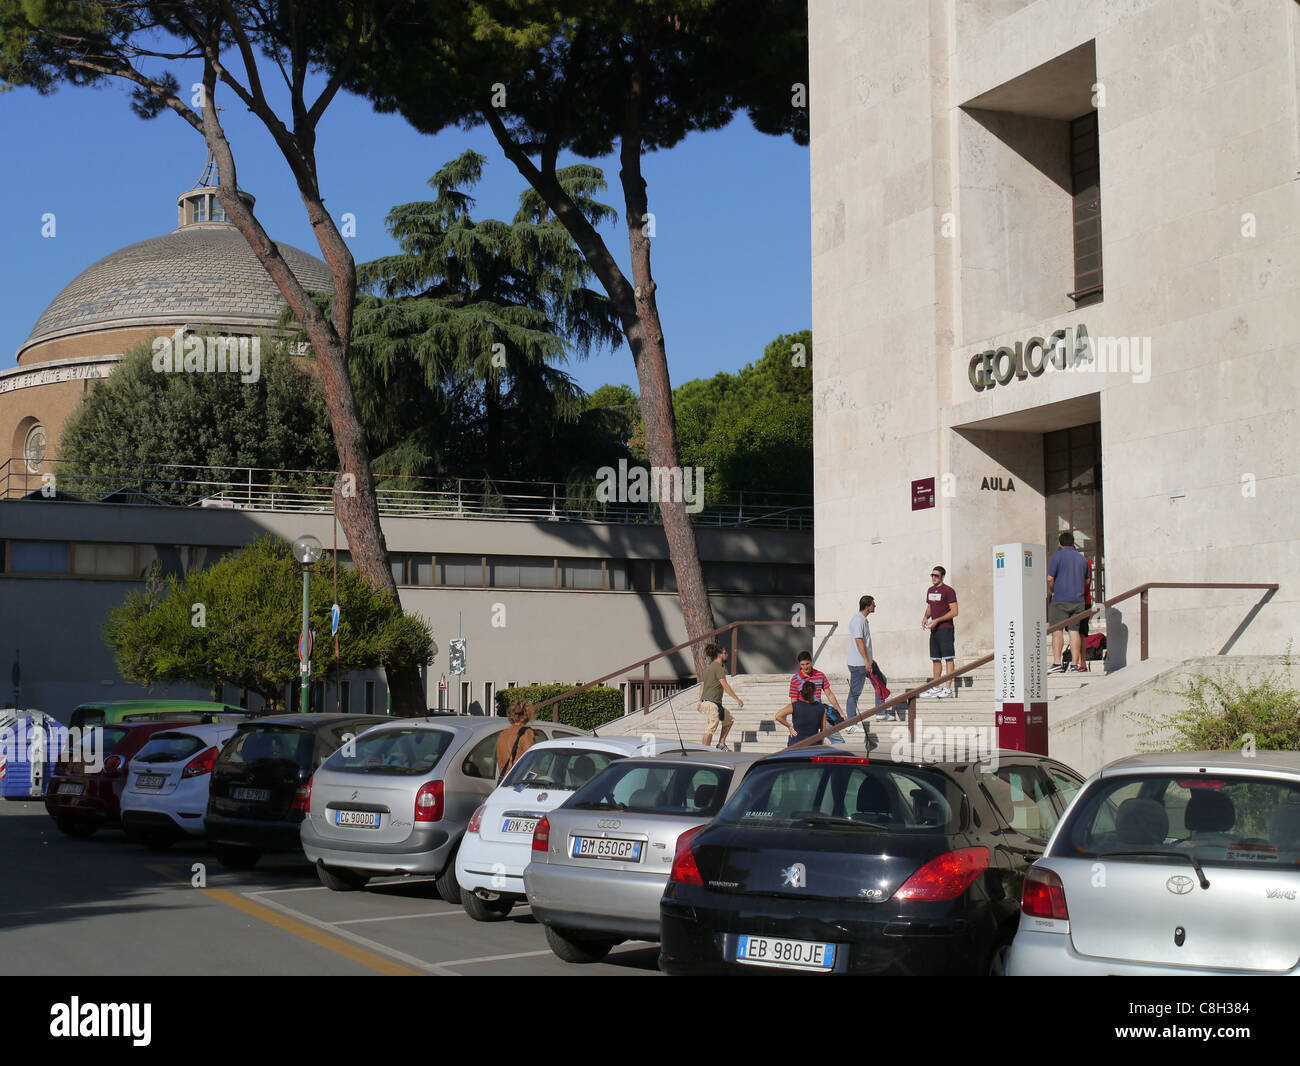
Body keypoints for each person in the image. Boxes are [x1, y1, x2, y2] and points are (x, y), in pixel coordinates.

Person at [1047, 531, 1092, 674]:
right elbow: (1087, 581)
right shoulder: (1082, 559)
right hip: (1078, 600)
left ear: (1060, 543)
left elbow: (1050, 578)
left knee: (1057, 630)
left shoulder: (1057, 557)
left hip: (1060, 599)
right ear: (1073, 543)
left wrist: (1052, 590)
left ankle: (1057, 663)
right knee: (1074, 631)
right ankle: (1074, 665)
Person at [790, 651, 851, 743]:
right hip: (805, 716)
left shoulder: (820, 675)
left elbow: (829, 694)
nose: (805, 667)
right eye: (802, 665)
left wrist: (840, 712)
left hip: (819, 712)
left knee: (839, 741)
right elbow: (794, 702)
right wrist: (795, 721)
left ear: (811, 662)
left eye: (807, 664)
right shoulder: (795, 679)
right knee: (804, 743)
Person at [846, 595, 889, 722]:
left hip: (866, 662)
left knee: (881, 680)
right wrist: (866, 661)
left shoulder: (863, 620)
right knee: (855, 693)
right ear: (868, 606)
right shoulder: (857, 621)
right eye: (873, 604)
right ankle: (851, 721)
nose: (875, 606)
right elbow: (859, 642)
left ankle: (880, 712)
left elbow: (865, 643)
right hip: (859, 664)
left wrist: (870, 660)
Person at [921, 565, 958, 698]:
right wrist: (926, 617)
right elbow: (930, 606)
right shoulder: (930, 590)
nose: (933, 578)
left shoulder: (949, 591)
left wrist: (938, 620)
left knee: (948, 657)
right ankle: (936, 687)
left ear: (942, 576)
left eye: (936, 575)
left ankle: (948, 689)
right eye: (932, 575)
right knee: (935, 659)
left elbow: (954, 612)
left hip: (946, 628)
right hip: (934, 630)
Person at [697, 643, 743, 750]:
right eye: (725, 653)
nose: (727, 655)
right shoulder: (719, 668)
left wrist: (700, 702)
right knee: (710, 730)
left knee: (729, 720)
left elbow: (702, 686)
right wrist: (737, 699)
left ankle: (721, 743)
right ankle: (704, 751)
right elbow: (725, 685)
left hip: (713, 703)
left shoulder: (708, 668)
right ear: (719, 654)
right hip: (712, 704)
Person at [777, 680, 827, 747]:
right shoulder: (821, 707)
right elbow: (823, 730)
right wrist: (820, 742)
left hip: (795, 743)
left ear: (802, 692)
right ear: (814, 692)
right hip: (814, 744)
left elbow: (778, 716)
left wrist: (789, 726)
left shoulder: (794, 706)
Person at [496, 699, 537, 778]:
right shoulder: (527, 733)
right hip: (519, 781)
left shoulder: (502, 734)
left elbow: (500, 761)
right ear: (527, 715)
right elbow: (531, 760)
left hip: (505, 781)